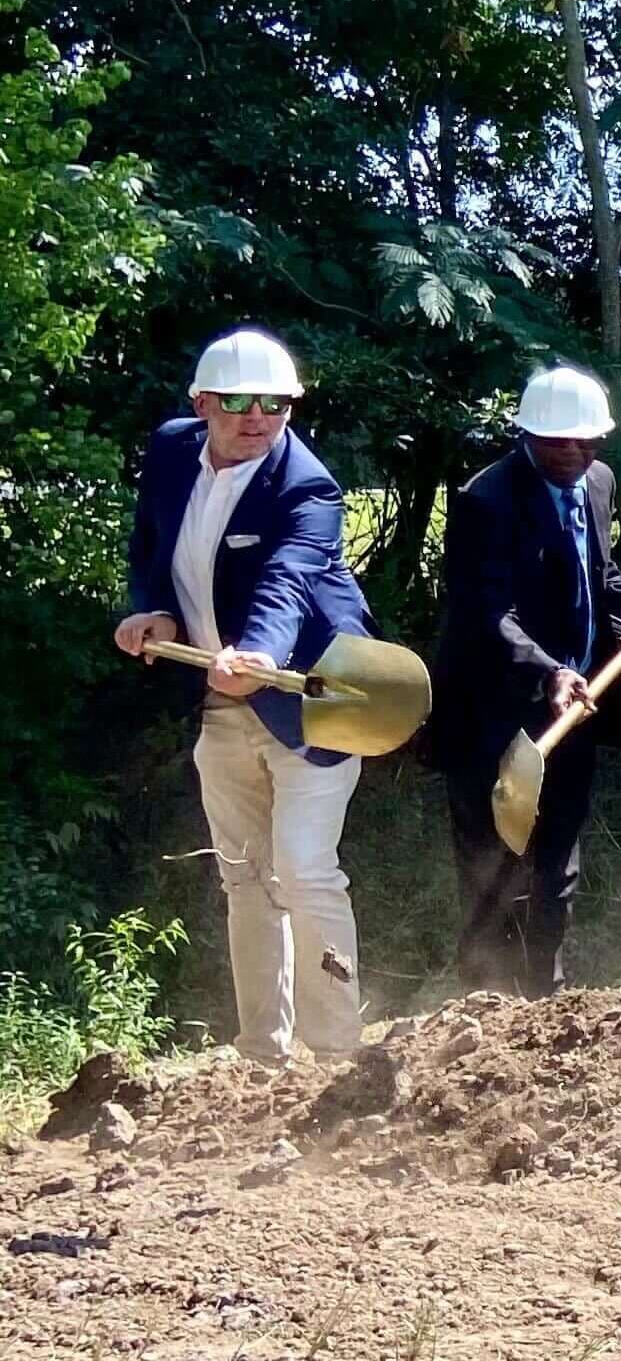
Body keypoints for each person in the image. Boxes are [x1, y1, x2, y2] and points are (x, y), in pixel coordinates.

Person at [115, 327, 382, 1064]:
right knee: (245, 876)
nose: (258, 415)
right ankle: (262, 1055)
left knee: (303, 866)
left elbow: (288, 578)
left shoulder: (308, 486)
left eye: (277, 401)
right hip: (219, 704)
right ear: (202, 403)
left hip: (312, 701)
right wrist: (152, 608)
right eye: (237, 400)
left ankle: (335, 1053)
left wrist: (261, 651)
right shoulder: (172, 450)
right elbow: (150, 543)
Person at [433, 364, 621, 997]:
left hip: (575, 705)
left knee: (558, 857)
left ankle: (545, 995)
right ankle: (486, 1004)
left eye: (591, 442)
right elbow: (486, 615)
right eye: (563, 442)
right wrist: (549, 670)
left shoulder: (600, 483)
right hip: (492, 711)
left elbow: (602, 577)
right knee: (492, 864)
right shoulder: (486, 500)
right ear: (528, 435)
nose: (579, 454)